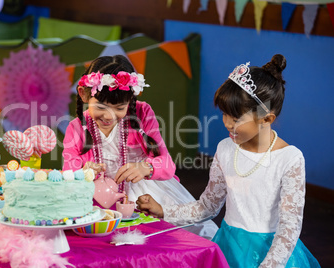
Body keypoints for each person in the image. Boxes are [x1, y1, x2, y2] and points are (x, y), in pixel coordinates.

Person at [136, 54, 321, 268]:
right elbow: (208, 206)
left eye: (236, 119)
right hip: (228, 247)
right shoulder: (225, 149)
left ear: (266, 118)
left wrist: (271, 264)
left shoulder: (289, 158)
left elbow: (290, 225)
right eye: (224, 114)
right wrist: (164, 211)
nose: (227, 123)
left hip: (273, 256)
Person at [62, 55, 218, 239]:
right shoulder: (76, 127)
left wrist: (146, 167)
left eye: (119, 108)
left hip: (147, 194)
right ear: (84, 94)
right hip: (99, 198)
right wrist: (84, 172)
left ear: (130, 100)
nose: (109, 116)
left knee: (192, 237)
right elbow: (68, 174)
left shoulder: (142, 113)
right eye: (101, 107)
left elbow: (167, 164)